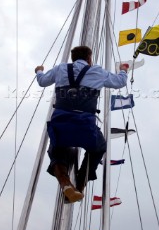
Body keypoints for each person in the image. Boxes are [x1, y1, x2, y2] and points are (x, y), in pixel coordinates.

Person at [35, 46, 128, 203]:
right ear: (89, 58)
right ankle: (80, 184)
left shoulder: (60, 69)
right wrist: (123, 69)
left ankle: (65, 183)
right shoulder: (97, 71)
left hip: (61, 124)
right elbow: (120, 82)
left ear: (72, 58)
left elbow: (42, 81)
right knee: (99, 147)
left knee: (57, 150)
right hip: (85, 126)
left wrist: (39, 70)